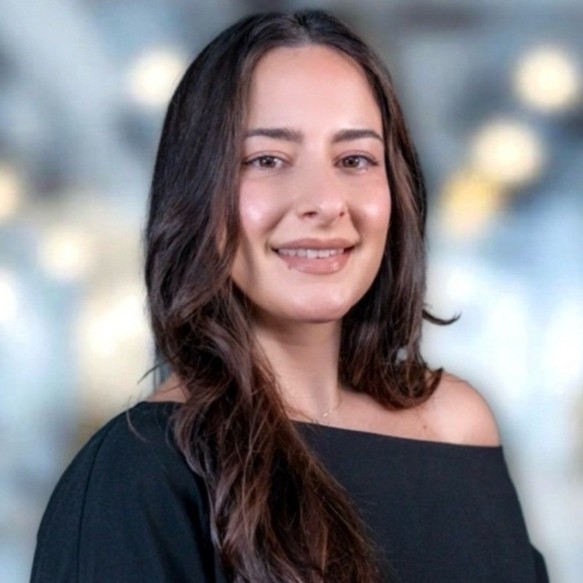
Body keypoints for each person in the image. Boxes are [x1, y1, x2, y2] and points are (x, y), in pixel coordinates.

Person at [31, 9, 549, 583]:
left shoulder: (460, 427)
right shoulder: (135, 478)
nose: (324, 202)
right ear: (196, 195)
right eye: (267, 160)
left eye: (354, 159)